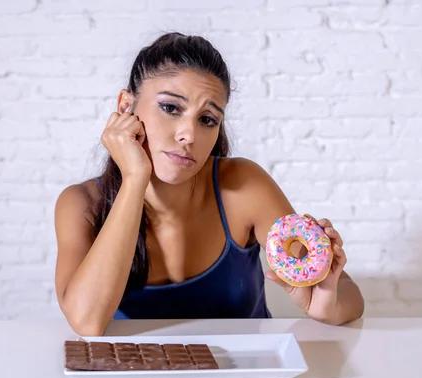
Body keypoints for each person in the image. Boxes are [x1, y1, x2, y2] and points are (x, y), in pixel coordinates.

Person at [53, 32, 364, 336]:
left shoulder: (243, 187)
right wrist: (134, 178)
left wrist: (327, 304)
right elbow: (87, 322)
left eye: (207, 120)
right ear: (125, 107)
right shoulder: (81, 204)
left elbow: (349, 293)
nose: (188, 134)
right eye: (170, 108)